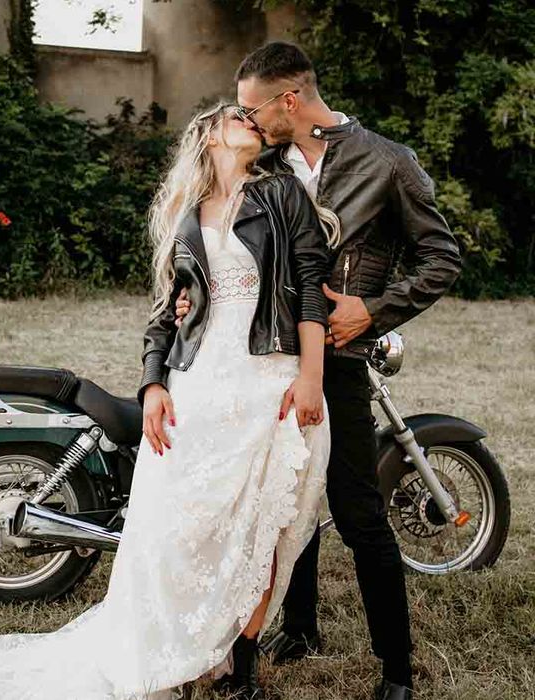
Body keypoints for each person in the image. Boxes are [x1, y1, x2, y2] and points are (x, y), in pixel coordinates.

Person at [0, 101, 338, 700]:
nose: (251, 119)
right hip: (198, 383)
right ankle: (187, 647)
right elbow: (163, 317)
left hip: (267, 379)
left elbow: (309, 290)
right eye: (237, 115)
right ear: (207, 137)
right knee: (184, 531)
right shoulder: (187, 219)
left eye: (255, 117)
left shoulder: (280, 196)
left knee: (259, 527)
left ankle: (239, 669)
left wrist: (310, 376)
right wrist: (152, 385)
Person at [173, 42, 463, 700]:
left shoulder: (388, 162)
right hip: (260, 360)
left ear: (290, 101)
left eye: (251, 107)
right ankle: (297, 627)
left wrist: (375, 308)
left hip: (337, 359)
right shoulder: (262, 160)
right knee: (273, 505)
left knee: (359, 512)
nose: (242, 119)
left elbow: (441, 257)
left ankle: (396, 671)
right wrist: (195, 290)